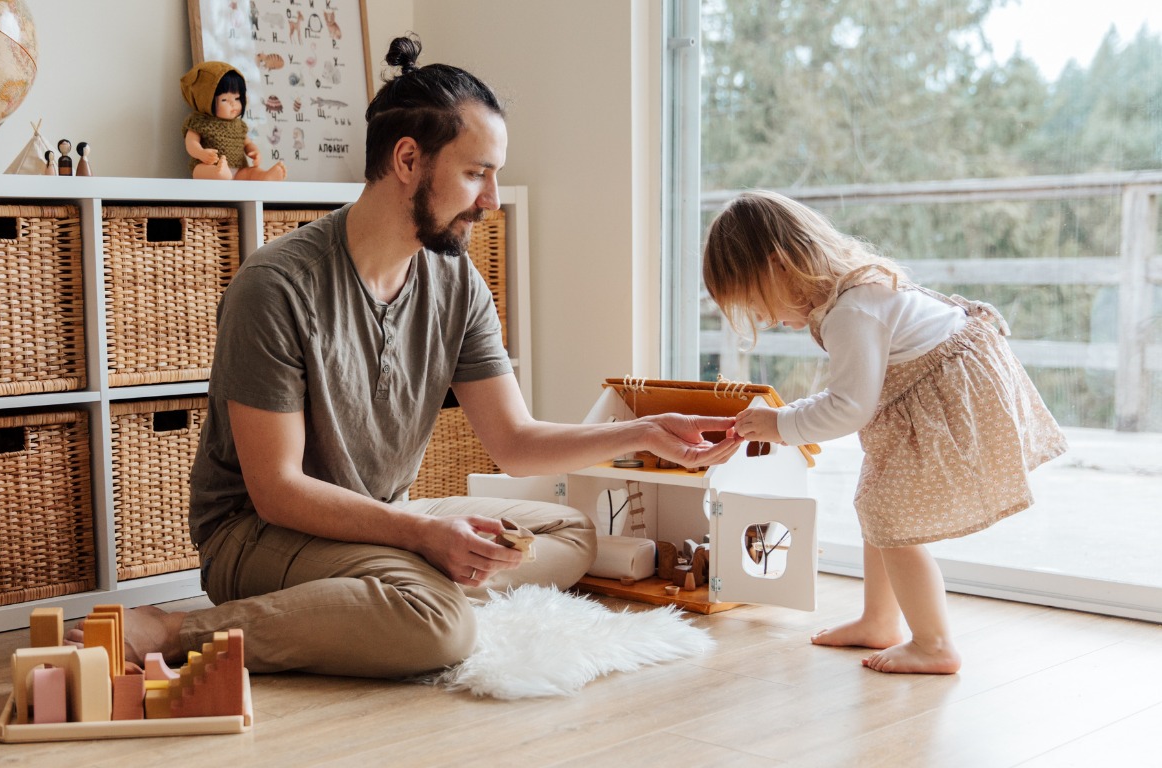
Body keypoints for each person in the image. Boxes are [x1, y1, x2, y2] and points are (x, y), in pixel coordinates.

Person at [72, 35, 742, 679]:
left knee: (567, 534)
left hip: (381, 517)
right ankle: (176, 633)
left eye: (495, 176)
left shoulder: (456, 283)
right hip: (258, 534)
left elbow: (513, 442)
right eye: (477, 174)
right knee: (441, 627)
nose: (491, 201)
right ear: (407, 161)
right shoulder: (276, 286)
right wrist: (421, 539)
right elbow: (277, 491)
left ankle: (392, 593)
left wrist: (646, 433)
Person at [703, 189, 1068, 674]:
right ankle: (879, 620)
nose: (768, 320)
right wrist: (788, 416)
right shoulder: (852, 291)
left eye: (760, 304)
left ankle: (934, 644)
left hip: (948, 405)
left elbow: (849, 406)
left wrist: (781, 423)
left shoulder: (851, 312)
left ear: (781, 266)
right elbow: (855, 395)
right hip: (928, 397)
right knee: (879, 506)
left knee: (894, 522)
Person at [179, 60, 287, 181]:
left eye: (237, 98)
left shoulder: (239, 126)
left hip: (239, 171)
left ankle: (265, 177)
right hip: (210, 165)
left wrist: (254, 151)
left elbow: (247, 143)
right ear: (204, 101)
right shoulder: (199, 122)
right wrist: (201, 153)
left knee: (252, 172)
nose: (233, 104)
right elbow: (191, 143)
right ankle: (218, 173)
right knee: (199, 170)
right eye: (224, 100)